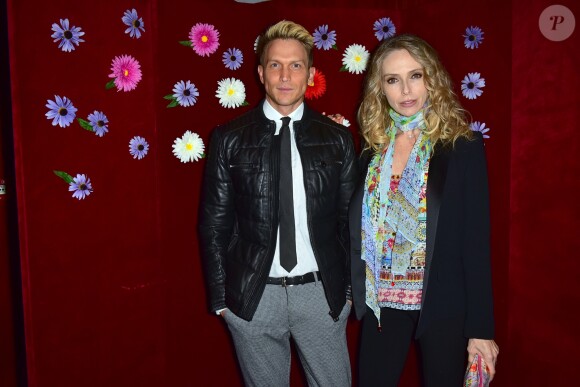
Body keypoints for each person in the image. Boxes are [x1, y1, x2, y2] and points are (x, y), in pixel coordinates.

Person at [198, 20, 357, 387]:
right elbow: (214, 225)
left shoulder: (337, 140)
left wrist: (348, 293)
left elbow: (350, 223)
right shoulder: (228, 139)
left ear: (311, 74)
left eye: (296, 65)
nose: (285, 75)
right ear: (260, 72)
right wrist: (223, 300)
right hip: (253, 296)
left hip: (321, 295)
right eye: (275, 64)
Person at [347, 33, 499, 386]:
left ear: (432, 78)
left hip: (443, 303)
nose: (406, 90)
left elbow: (476, 243)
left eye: (415, 75)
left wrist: (480, 329)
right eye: (393, 80)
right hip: (381, 303)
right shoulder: (371, 149)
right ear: (379, 88)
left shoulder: (462, 146)